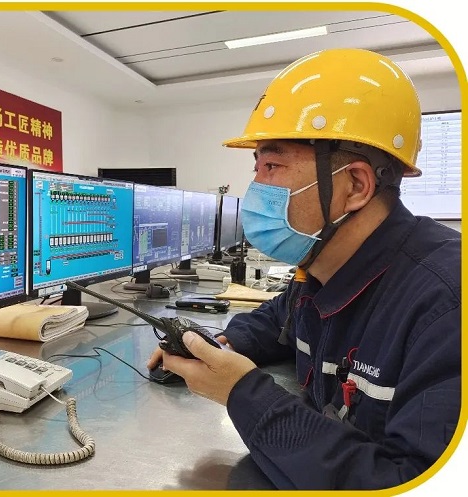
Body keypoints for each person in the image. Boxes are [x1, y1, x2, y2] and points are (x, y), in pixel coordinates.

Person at [147, 48, 461, 490]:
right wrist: (221, 344)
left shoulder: (447, 305)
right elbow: (280, 318)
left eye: (273, 166)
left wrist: (242, 394)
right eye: (257, 168)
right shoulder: (321, 272)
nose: (256, 188)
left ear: (355, 185)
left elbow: (410, 481)